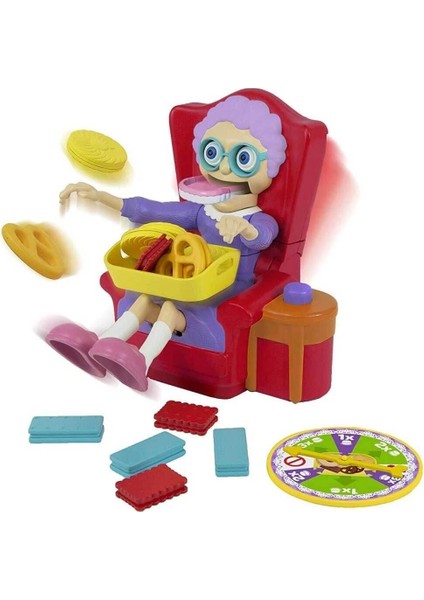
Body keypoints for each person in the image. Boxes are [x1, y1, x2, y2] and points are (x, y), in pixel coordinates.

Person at [47, 95, 287, 392]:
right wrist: (101, 196)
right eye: (213, 153)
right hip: (189, 281)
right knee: (143, 298)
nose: (225, 168)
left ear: (268, 166)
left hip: (230, 287)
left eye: (242, 158)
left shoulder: (258, 218)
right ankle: (101, 345)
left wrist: (245, 229)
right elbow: (152, 210)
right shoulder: (202, 211)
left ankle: (142, 360)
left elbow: (264, 236)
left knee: (171, 307)